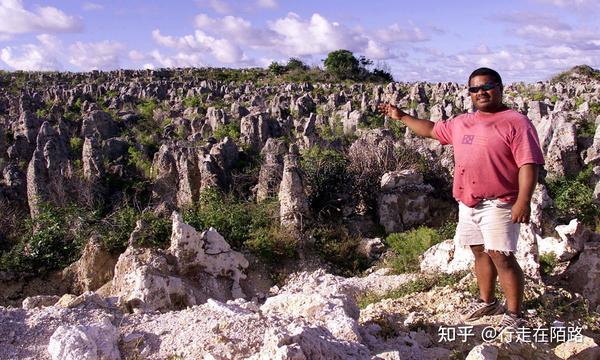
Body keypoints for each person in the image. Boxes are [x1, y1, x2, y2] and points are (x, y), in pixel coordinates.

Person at [378, 67, 544, 332]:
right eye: (475, 89)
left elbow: (529, 164)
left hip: (500, 202)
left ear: (500, 88)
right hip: (468, 201)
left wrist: (523, 201)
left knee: (501, 256)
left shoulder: (516, 122)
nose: (481, 92)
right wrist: (401, 116)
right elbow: (431, 130)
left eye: (487, 86)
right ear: (469, 93)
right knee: (479, 252)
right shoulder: (462, 122)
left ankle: (514, 313)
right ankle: (487, 301)